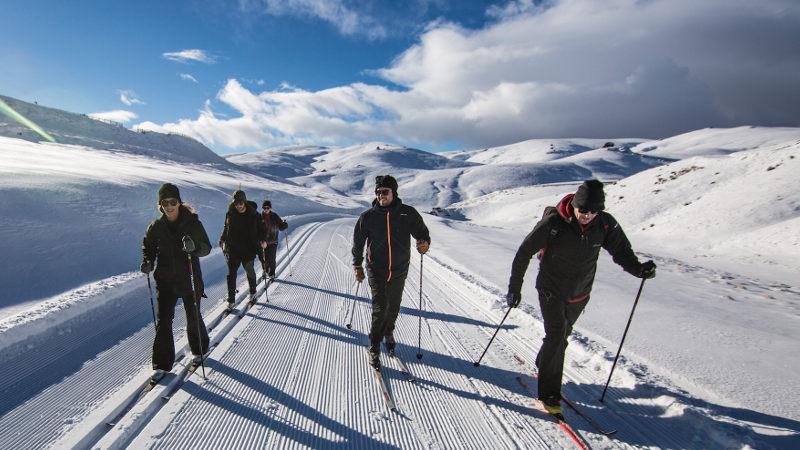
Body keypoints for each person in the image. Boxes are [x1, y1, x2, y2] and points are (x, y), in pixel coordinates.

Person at [506, 179, 656, 414]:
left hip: (580, 293)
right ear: (575, 205)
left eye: (594, 211)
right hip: (551, 289)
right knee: (556, 335)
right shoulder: (553, 223)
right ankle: (549, 395)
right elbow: (524, 253)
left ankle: (544, 363)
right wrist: (515, 288)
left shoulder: (604, 224)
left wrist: (639, 270)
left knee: (562, 336)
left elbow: (621, 252)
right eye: (583, 210)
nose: (588, 215)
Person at [352, 175, 431, 370]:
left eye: (385, 192)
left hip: (399, 268)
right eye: (378, 192)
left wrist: (424, 243)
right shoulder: (368, 217)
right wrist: (357, 265)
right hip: (376, 268)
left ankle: (389, 332)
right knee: (380, 307)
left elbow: (422, 233)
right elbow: (358, 242)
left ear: (393, 192)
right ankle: (374, 345)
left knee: (394, 306)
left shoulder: (407, 213)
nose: (381, 195)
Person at [140, 183, 212, 381]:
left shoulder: (192, 223)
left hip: (189, 277)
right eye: (165, 203)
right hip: (165, 281)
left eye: (173, 202)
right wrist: (148, 262)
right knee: (164, 320)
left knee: (193, 315)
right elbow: (148, 248)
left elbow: (206, 248)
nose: (169, 206)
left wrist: (194, 247)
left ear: (179, 202)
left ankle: (199, 350)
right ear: (160, 205)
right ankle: (161, 364)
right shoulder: (156, 227)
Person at [219, 190, 267, 308]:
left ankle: (253, 292)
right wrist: (222, 238)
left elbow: (262, 229)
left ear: (244, 202)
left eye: (240, 203)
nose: (238, 205)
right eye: (236, 203)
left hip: (248, 249)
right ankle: (231, 300)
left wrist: (263, 240)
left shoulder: (254, 214)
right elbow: (226, 227)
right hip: (233, 249)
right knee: (231, 274)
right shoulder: (230, 213)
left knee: (249, 271)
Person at [259, 200, 288, 281]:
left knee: (271, 258)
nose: (266, 209)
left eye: (267, 208)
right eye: (264, 208)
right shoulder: (260, 217)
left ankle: (272, 274)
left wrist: (284, 225)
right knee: (265, 259)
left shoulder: (274, 216)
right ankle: (265, 270)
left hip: (273, 241)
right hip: (264, 242)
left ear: (270, 208)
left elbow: (281, 226)